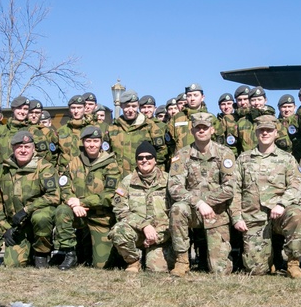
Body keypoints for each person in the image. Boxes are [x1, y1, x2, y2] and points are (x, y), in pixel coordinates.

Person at [230, 116, 301, 277]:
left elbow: (297, 186)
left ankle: (293, 264)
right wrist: (236, 217)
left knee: (296, 215)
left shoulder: (286, 158)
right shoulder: (244, 159)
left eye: (269, 130)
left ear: (276, 133)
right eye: (261, 130)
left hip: (280, 214)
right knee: (256, 270)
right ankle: (270, 260)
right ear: (256, 132)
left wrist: (282, 204)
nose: (265, 133)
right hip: (254, 217)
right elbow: (234, 190)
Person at [167, 112, 237, 276]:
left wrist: (207, 202)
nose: (201, 131)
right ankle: (182, 261)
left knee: (220, 271)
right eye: (198, 127)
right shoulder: (182, 155)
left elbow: (229, 188)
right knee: (177, 209)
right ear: (192, 131)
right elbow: (174, 187)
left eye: (205, 128)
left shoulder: (225, 153)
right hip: (192, 210)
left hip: (216, 211)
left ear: (212, 130)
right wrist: (198, 202)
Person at [54, 126, 121, 269]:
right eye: (88, 141)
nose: (92, 145)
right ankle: (69, 253)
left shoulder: (110, 163)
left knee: (101, 265)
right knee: (61, 211)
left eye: (95, 141)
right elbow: (64, 187)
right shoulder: (74, 163)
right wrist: (74, 204)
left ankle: (88, 247)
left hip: (100, 217)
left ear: (101, 143)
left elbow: (110, 194)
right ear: (83, 142)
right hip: (78, 214)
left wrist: (82, 201)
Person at [0, 130, 61, 268]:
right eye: (19, 147)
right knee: (13, 264)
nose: (23, 150)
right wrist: (5, 227)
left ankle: (41, 253)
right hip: (17, 225)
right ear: (13, 148)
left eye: (27, 147)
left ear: (33, 149)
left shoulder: (44, 166)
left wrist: (26, 210)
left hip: (36, 219)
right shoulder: (4, 169)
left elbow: (53, 196)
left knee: (41, 217)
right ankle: (28, 250)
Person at [109, 141, 172, 272]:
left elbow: (175, 214)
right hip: (137, 232)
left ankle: (150, 255)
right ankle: (133, 262)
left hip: (162, 233)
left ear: (155, 160)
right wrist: (144, 226)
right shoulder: (127, 182)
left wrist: (158, 236)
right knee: (118, 230)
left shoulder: (168, 181)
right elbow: (120, 210)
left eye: (148, 157)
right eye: (140, 158)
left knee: (156, 269)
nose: (144, 160)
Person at [106, 90, 168, 176]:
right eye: (127, 106)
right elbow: (106, 154)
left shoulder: (149, 126)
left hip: (143, 178)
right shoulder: (113, 128)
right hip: (119, 178)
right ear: (121, 106)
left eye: (134, 106)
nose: (131, 110)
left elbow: (161, 151)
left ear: (138, 106)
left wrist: (150, 170)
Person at [57, 95, 92, 165]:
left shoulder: (91, 129)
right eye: (73, 108)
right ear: (69, 110)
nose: (76, 111)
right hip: (65, 172)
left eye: (79, 108)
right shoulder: (61, 131)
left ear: (85, 108)